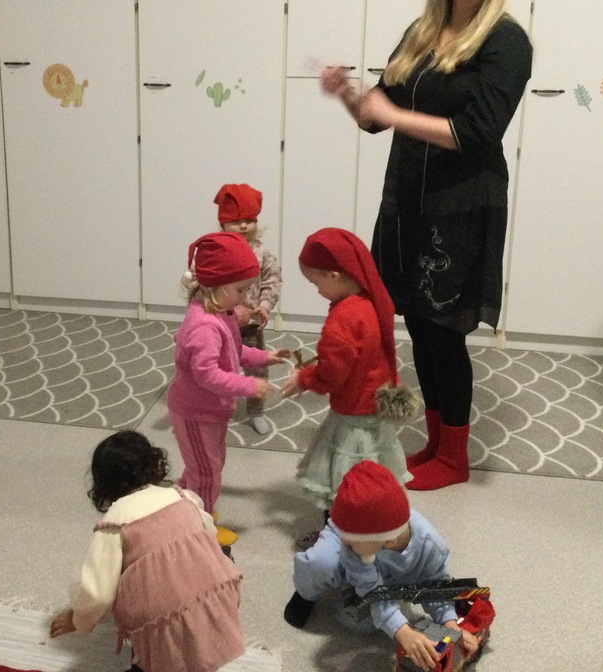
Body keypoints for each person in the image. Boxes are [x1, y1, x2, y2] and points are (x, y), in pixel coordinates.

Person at [319, 0, 534, 490]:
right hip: (406, 202)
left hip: (458, 208)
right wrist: (350, 96)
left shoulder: (505, 41)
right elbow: (376, 115)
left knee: (443, 331)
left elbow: (478, 132)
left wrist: (394, 115)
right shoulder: (422, 31)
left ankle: (454, 459)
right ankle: (436, 443)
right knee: (417, 321)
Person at [49, 431, 244, 672]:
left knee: (159, 641)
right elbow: (208, 538)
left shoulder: (115, 524)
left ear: (103, 485)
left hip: (166, 621)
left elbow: (97, 593)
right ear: (155, 465)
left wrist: (77, 619)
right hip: (215, 600)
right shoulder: (184, 498)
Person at [282, 460, 484, 672]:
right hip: (354, 535)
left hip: (375, 559)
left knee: (361, 624)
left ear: (388, 542)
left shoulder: (431, 546)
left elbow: (435, 588)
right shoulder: (352, 545)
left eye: (350, 543)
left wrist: (450, 624)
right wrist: (403, 633)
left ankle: (351, 582)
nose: (346, 545)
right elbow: (373, 593)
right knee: (320, 563)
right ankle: (305, 593)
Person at [280, 228, 418, 521]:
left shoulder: (343, 319)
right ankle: (374, 524)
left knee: (342, 479)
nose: (317, 290)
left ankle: (340, 531)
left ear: (334, 275)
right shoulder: (370, 303)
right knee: (374, 471)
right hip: (373, 404)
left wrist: (303, 379)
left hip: (352, 412)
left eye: (315, 282)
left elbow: (332, 373)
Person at [168, 231, 291, 546]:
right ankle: (202, 527)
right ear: (217, 285)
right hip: (196, 413)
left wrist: (266, 357)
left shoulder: (220, 313)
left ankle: (185, 505)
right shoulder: (205, 325)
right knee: (206, 471)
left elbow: (234, 352)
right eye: (240, 289)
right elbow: (207, 374)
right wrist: (249, 385)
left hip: (210, 411)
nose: (246, 296)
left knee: (206, 464)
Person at [214, 183, 283, 435]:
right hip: (219, 324)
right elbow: (201, 282)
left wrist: (264, 306)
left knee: (257, 367)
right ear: (223, 223)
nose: (243, 226)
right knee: (220, 367)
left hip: (251, 325)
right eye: (236, 221)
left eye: (249, 220)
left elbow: (272, 280)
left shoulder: (262, 253)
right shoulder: (215, 250)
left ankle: (256, 411)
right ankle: (219, 407)